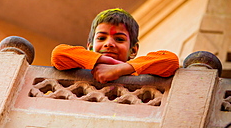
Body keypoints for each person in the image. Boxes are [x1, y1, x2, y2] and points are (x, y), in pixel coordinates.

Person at [51, 8, 179, 83]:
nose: (109, 44)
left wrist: (119, 69)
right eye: (101, 38)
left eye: (119, 39)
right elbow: (58, 55)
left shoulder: (135, 73)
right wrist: (103, 60)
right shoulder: (85, 68)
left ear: (133, 51)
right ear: (89, 47)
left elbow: (170, 61)